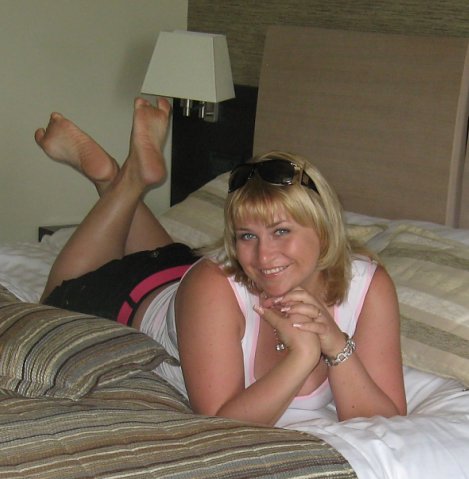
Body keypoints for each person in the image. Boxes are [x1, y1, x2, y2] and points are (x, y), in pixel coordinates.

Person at [34, 97, 407, 426]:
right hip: (133, 292)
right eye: (247, 235)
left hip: (182, 272)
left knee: (180, 264)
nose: (263, 256)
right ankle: (123, 179)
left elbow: (388, 422)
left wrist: (336, 344)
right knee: (52, 300)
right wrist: (303, 356)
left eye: (281, 231)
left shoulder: (367, 286)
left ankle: (116, 178)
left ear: (324, 230)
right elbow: (219, 423)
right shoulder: (213, 282)